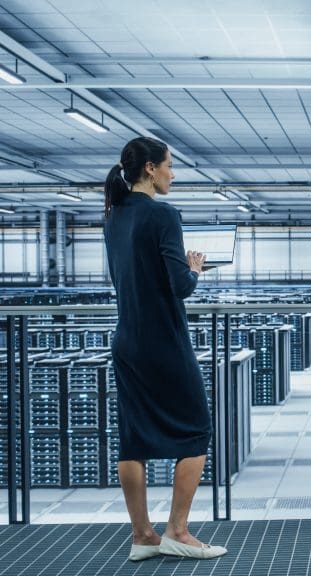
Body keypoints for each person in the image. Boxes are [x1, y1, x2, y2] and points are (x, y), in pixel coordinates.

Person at [103, 136, 226, 561]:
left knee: (132, 440)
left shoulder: (113, 216)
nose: (174, 174)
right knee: (196, 432)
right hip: (164, 343)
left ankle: (143, 536)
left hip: (127, 341)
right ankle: (178, 531)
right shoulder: (164, 215)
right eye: (170, 166)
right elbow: (179, 286)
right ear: (151, 169)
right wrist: (194, 269)